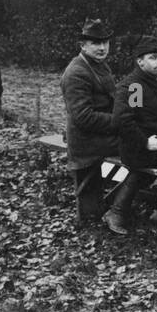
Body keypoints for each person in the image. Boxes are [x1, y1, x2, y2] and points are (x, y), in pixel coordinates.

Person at [107, 38, 157, 235]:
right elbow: (124, 121)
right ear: (140, 62)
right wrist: (145, 142)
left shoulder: (156, 85)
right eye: (153, 58)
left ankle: (118, 211)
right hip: (138, 148)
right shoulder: (136, 87)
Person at [60, 19, 120, 225]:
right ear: (82, 45)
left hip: (101, 134)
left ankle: (123, 200)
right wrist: (121, 122)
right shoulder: (77, 72)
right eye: (96, 43)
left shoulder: (99, 65)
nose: (102, 47)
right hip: (87, 140)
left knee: (145, 138)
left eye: (105, 42)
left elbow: (112, 98)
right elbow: (83, 117)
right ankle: (121, 207)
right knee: (141, 146)